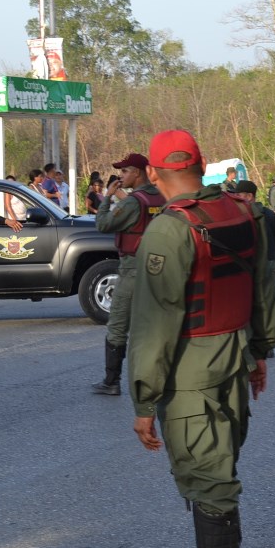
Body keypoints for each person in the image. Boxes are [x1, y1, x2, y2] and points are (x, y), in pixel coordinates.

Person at [128, 129, 275, 548]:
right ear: (201, 165)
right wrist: (260, 353)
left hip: (190, 367)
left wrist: (143, 401)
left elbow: (155, 326)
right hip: (234, 354)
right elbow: (263, 289)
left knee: (206, 470)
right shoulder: (244, 212)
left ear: (153, 174)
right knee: (217, 460)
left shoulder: (170, 230)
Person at [91, 152, 165, 395]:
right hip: (159, 268)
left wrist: (108, 197)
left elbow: (103, 224)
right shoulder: (161, 197)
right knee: (154, 326)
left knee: (118, 325)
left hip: (133, 268)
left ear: (138, 173)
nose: (121, 175)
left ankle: (111, 381)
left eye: (125, 171)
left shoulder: (134, 201)